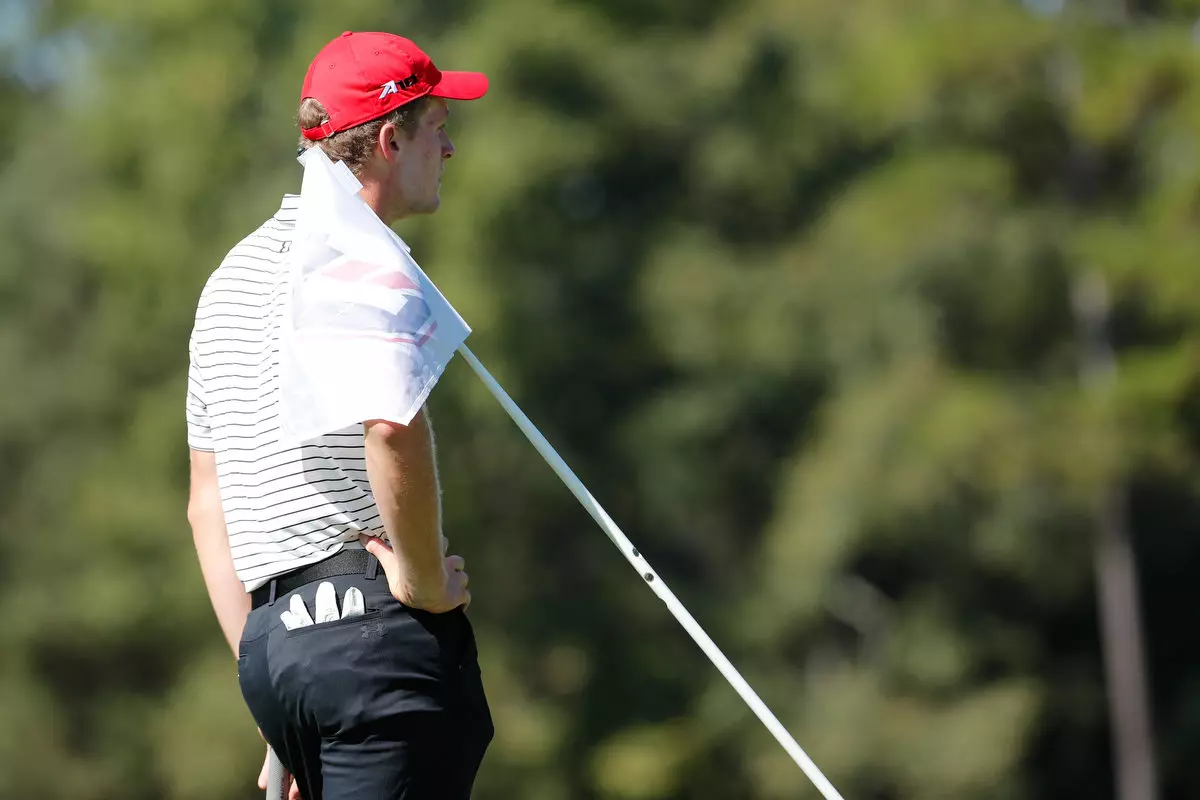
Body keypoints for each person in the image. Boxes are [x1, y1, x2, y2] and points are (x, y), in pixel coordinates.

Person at [185, 30, 493, 800]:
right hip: (375, 645)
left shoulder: (227, 280)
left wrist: (275, 691)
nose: (449, 150)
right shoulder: (366, 260)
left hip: (274, 651)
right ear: (391, 139)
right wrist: (423, 581)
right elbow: (390, 424)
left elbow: (206, 506)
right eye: (439, 129)